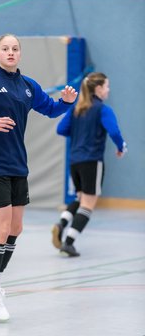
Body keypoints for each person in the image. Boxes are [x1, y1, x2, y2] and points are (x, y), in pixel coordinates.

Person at [0, 33, 77, 321]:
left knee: (16, 228)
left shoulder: (27, 86)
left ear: (20, 54)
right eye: (5, 49)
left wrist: (66, 102)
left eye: (15, 49)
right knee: (0, 228)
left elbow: (51, 110)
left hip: (17, 166)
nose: (10, 52)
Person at [52, 72, 127, 257]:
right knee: (88, 204)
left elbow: (61, 129)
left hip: (75, 161)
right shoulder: (102, 109)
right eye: (107, 86)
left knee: (79, 199)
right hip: (92, 161)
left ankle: (61, 223)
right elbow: (114, 131)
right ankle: (68, 243)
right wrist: (121, 146)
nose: (108, 90)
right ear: (99, 88)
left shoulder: (76, 108)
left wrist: (80, 134)